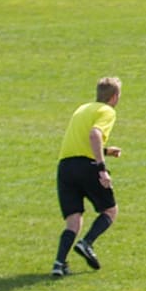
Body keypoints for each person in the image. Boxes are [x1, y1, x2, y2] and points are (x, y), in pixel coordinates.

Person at [52, 76, 124, 277]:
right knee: (110, 211)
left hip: (66, 166)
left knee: (73, 220)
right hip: (88, 166)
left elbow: (81, 141)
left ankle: (59, 264)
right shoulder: (107, 111)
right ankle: (87, 243)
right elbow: (94, 135)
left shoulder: (82, 109)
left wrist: (107, 150)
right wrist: (102, 168)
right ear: (115, 96)